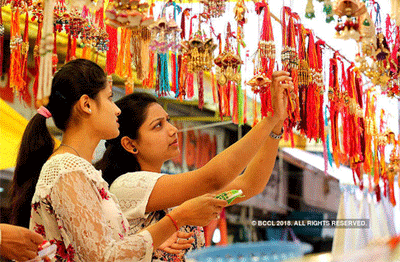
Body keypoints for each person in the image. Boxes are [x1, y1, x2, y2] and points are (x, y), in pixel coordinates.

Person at [9, 59, 227, 261]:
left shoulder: (80, 170)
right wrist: (177, 218)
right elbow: (105, 257)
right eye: (110, 97)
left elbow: (104, 249)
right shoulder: (67, 170)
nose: (116, 109)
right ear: (87, 105)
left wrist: (154, 237)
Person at [96, 70, 294, 260]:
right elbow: (214, 178)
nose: (173, 130)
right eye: (158, 126)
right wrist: (270, 118)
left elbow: (250, 185)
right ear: (130, 144)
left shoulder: (175, 190)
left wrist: (276, 127)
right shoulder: (126, 186)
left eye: (168, 121)